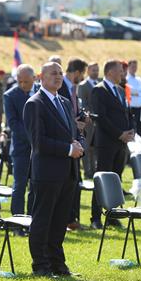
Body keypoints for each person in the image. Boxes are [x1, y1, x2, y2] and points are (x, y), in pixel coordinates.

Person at [24, 61, 83, 277]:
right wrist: (69, 149)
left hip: (67, 171)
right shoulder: (35, 103)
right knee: (43, 220)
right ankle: (40, 265)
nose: (57, 77)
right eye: (52, 73)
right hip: (47, 172)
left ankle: (58, 263)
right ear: (41, 76)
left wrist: (79, 145)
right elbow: (39, 142)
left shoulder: (65, 102)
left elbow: (74, 133)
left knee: (59, 222)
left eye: (60, 73)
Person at [90, 59, 135, 229]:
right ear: (109, 72)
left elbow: (128, 113)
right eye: (120, 71)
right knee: (102, 179)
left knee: (116, 179)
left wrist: (131, 130)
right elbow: (101, 118)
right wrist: (119, 134)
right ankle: (96, 217)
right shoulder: (99, 90)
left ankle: (112, 215)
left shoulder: (120, 90)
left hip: (122, 143)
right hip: (107, 142)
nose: (123, 74)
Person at [58, 58, 87, 230]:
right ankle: (67, 219)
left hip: (75, 139)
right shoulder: (61, 87)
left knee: (76, 182)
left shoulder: (73, 88)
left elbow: (75, 110)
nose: (82, 77)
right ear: (76, 72)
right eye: (82, 73)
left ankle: (72, 218)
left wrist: (82, 118)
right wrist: (74, 124)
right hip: (65, 143)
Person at [4, 64, 36, 217]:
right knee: (20, 185)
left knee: (35, 185)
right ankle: (17, 221)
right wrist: (34, 139)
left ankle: (31, 218)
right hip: (21, 148)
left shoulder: (41, 93)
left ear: (34, 79)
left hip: (39, 149)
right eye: (20, 81)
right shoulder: (10, 96)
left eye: (26, 82)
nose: (23, 85)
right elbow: (13, 123)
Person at [77, 62, 99, 185]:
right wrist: (87, 115)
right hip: (88, 121)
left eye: (97, 70)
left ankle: (94, 169)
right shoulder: (83, 85)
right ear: (88, 71)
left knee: (94, 148)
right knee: (86, 146)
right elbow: (82, 103)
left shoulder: (99, 84)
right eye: (93, 70)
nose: (96, 72)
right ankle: (87, 171)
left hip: (98, 122)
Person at [127, 59, 141, 136]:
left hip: (140, 107)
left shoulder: (139, 79)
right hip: (131, 107)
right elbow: (130, 91)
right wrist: (136, 92)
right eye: (132, 66)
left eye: (135, 67)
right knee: (132, 128)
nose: (134, 68)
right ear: (128, 67)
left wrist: (136, 92)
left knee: (140, 129)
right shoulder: (126, 79)